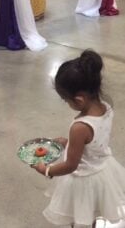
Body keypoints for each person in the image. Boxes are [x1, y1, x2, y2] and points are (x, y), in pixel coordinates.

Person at [31, 49, 125, 227]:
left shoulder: (80, 127)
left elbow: (70, 165)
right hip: (102, 170)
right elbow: (95, 142)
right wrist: (69, 144)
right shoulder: (106, 107)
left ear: (79, 100)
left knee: (79, 215)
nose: (66, 103)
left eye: (65, 100)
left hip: (84, 180)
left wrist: (47, 170)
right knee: (95, 210)